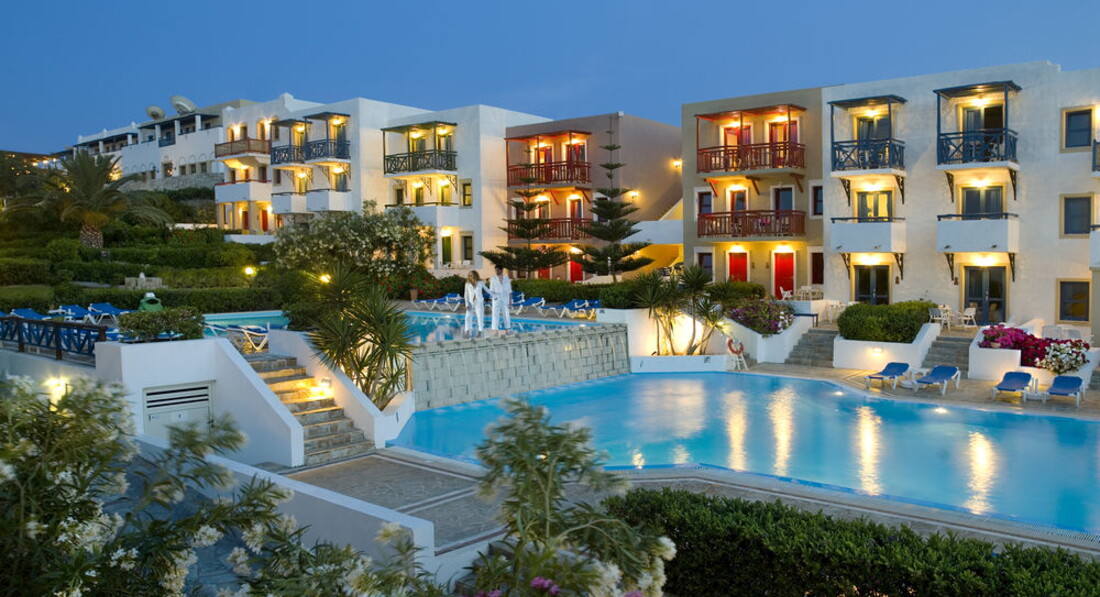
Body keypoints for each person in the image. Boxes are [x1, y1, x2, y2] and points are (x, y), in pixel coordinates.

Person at [489, 265, 512, 331]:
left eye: (498, 270)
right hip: (496, 298)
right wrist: (494, 298)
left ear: (501, 270)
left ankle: (507, 328)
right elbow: (491, 290)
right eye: (496, 270)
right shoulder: (493, 279)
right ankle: (494, 329)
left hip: (505, 298)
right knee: (495, 314)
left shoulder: (506, 279)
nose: (496, 271)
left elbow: (509, 291)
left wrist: (510, 301)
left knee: (506, 313)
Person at [463, 271, 486, 337]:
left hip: (479, 302)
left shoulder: (480, 282)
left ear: (475, 275)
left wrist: (494, 295)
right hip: (471, 302)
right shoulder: (467, 284)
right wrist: (466, 304)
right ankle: (467, 331)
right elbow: (466, 295)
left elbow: (486, 289)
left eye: (472, 275)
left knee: (480, 317)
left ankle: (480, 332)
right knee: (467, 317)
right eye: (470, 275)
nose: (471, 276)